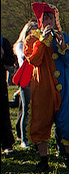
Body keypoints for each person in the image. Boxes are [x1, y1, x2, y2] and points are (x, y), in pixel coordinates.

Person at [13, 3, 69, 171]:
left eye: (51, 17)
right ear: (40, 21)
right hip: (42, 87)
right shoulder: (32, 38)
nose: (49, 21)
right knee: (40, 121)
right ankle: (43, 160)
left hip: (63, 87)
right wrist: (43, 40)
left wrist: (62, 46)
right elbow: (33, 60)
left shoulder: (63, 37)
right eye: (46, 18)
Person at [12, 21, 38, 149]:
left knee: (34, 109)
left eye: (35, 30)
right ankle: (24, 138)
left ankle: (34, 136)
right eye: (31, 30)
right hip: (26, 78)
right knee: (26, 109)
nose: (33, 33)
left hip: (37, 78)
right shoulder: (20, 45)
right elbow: (23, 59)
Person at [1, 31, 15, 153]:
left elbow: (11, 60)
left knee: (4, 112)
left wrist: (3, 56)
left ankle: (7, 144)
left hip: (1, 83)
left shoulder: (3, 42)